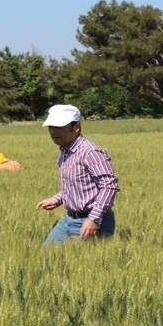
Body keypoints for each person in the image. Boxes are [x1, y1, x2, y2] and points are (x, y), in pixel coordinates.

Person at [36, 104, 120, 245]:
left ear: (76, 127)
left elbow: (109, 186)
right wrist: (56, 199)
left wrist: (94, 219)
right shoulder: (65, 152)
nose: (53, 132)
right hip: (68, 218)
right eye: (51, 127)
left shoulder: (90, 152)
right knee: (44, 257)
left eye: (59, 127)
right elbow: (75, 186)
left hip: (91, 219)